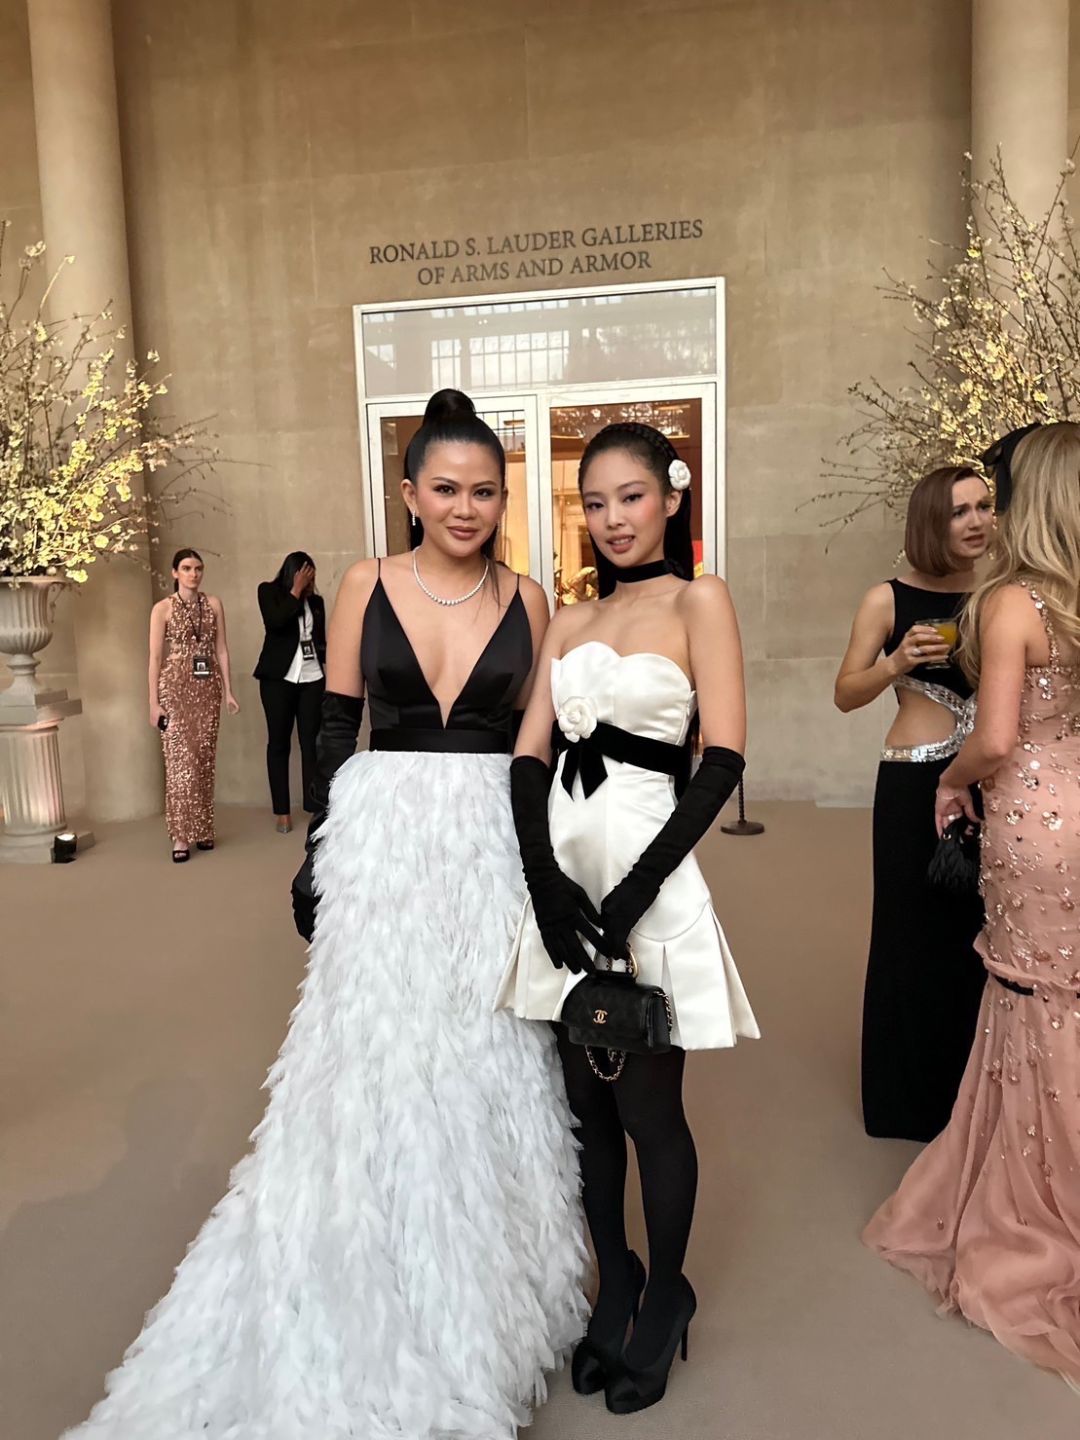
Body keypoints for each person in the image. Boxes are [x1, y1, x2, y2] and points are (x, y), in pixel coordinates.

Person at [64, 391, 586, 1440]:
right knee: (380, 1055)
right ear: (410, 493)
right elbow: (336, 727)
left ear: (504, 498)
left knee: (488, 1054)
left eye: (486, 491)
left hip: (492, 844)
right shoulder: (364, 583)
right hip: (385, 845)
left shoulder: (530, 598)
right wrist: (321, 852)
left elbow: (543, 744)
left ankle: (486, 1289)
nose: (467, 507)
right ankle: (374, 1268)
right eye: (446, 488)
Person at [497, 422, 759, 1415]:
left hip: (647, 884)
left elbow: (722, 758)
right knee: (586, 1108)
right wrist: (543, 882)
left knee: (649, 1108)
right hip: (565, 890)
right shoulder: (567, 618)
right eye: (596, 502)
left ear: (671, 498)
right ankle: (616, 1285)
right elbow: (529, 755)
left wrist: (638, 891)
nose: (612, 519)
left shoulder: (700, 600)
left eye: (631, 497)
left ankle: (667, 1296)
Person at [864, 421, 1080, 1388]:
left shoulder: (1012, 602)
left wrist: (952, 783)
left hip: (1030, 822)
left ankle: (1035, 1188)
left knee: (1029, 998)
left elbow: (992, 741)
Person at [834, 467, 994, 1139]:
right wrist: (896, 662)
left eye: (984, 506)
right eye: (959, 511)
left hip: (990, 780)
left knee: (981, 931)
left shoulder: (1001, 592)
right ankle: (906, 1102)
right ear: (931, 521)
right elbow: (846, 693)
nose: (977, 521)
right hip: (912, 781)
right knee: (910, 931)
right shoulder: (887, 598)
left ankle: (976, 1095)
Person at [148, 548, 239, 862]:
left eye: (198, 568)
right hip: (174, 689)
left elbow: (221, 649)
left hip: (207, 689)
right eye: (186, 568)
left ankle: (203, 827)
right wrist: (153, 703)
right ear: (175, 573)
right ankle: (181, 835)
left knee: (203, 759)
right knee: (179, 763)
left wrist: (228, 691)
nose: (193, 574)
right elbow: (154, 657)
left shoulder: (213, 604)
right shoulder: (162, 608)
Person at [253, 551, 326, 833]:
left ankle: (314, 805)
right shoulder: (268, 592)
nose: (310, 583)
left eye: (312, 578)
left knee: (312, 743)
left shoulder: (316, 602)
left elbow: (320, 641)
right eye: (306, 577)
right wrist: (295, 591)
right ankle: (282, 811)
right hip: (278, 680)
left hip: (312, 678)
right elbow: (276, 622)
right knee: (279, 743)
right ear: (294, 574)